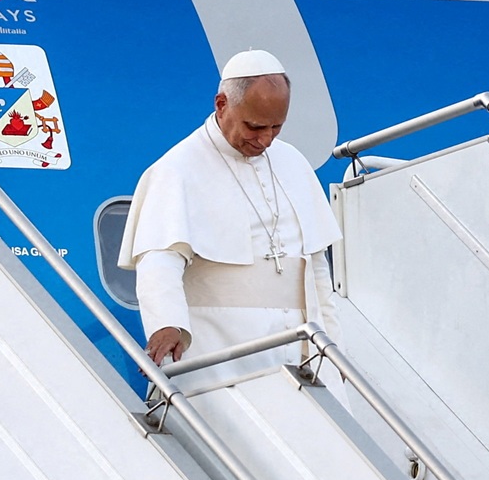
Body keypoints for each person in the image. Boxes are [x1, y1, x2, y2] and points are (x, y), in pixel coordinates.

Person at [116, 49, 339, 390]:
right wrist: (166, 323)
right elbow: (159, 260)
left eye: (276, 127)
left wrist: (334, 348)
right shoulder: (177, 169)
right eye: (254, 126)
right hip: (221, 353)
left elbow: (316, 267)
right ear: (221, 104)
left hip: (300, 351)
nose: (265, 140)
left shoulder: (293, 162)